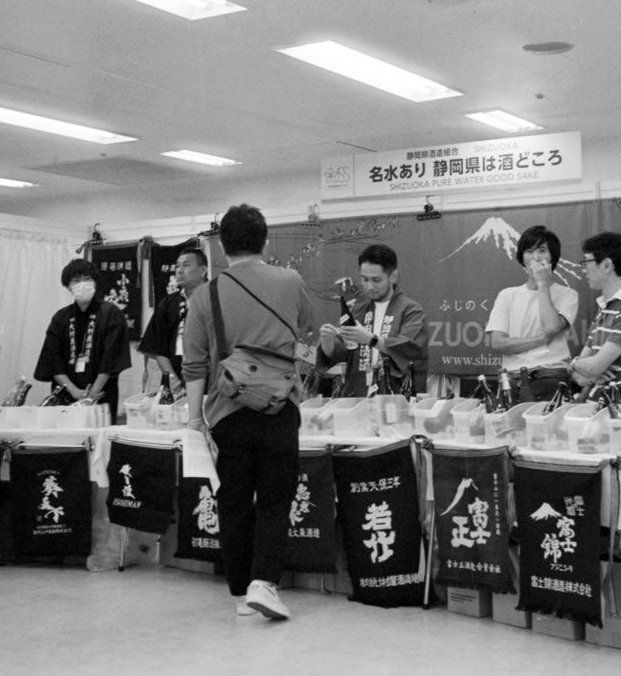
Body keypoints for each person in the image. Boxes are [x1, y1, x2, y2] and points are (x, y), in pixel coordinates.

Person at [183, 204, 314, 621]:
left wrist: (193, 420)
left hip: (227, 410)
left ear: (221, 246)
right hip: (280, 406)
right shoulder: (290, 281)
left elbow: (194, 365)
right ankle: (265, 583)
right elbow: (307, 337)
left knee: (234, 500)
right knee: (276, 498)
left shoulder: (206, 294)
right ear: (265, 240)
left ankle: (241, 591)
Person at [317, 244, 428, 397]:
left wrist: (370, 339)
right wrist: (327, 342)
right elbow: (339, 353)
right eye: (364, 279)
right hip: (357, 397)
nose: (369, 286)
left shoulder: (411, 310)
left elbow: (408, 350)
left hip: (395, 397)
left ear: (393, 276)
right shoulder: (357, 310)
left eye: (376, 280)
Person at [485, 225, 579, 400]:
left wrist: (543, 285)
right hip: (513, 377)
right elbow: (498, 343)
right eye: (529, 251)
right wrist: (541, 340)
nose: (535, 257)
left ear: (553, 257)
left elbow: (551, 327)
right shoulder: (507, 295)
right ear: (522, 257)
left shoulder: (568, 294)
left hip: (552, 375)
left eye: (542, 251)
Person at [33, 259, 132, 415]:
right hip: (65, 395)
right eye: (76, 281)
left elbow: (111, 359)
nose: (83, 284)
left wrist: (90, 395)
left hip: (101, 395)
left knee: (98, 436)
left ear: (95, 282)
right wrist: (73, 391)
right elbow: (53, 360)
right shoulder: (61, 318)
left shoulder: (111, 313)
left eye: (87, 279)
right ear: (68, 286)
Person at [568, 233, 621, 404]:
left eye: (587, 262)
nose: (584, 269)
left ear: (606, 265)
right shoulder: (606, 307)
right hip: (599, 407)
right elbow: (582, 373)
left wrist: (575, 363)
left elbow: (593, 366)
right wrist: (582, 372)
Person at [137, 246, 207, 385]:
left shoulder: (216, 299)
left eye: (186, 266)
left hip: (211, 381)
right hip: (176, 380)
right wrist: (172, 378)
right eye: (177, 266)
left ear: (203, 271)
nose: (179, 271)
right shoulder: (168, 303)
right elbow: (159, 346)